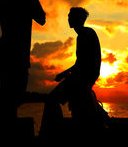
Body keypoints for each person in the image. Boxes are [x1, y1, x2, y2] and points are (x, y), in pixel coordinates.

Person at [40, 7, 102, 138]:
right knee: (74, 107)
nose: (68, 19)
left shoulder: (86, 34)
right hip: (82, 77)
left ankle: (52, 133)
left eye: (70, 17)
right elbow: (80, 62)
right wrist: (64, 73)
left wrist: (65, 74)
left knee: (52, 99)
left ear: (77, 19)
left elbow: (83, 63)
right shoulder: (83, 35)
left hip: (83, 78)